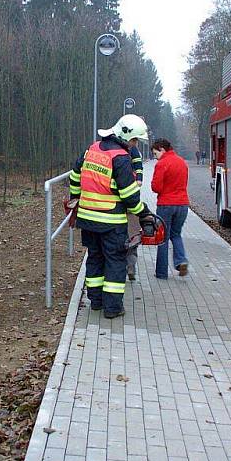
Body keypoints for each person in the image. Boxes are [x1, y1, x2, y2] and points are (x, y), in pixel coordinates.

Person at [69, 114, 154, 319]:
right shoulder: (121, 158)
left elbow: (74, 176)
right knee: (115, 262)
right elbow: (129, 196)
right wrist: (145, 214)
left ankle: (96, 302)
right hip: (111, 223)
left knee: (95, 258)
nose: (134, 145)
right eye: (135, 141)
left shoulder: (92, 149)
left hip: (88, 220)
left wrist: (75, 199)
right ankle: (113, 308)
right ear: (128, 137)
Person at [150, 139, 190, 279]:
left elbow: (156, 187)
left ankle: (161, 273)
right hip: (183, 204)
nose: (155, 157)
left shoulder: (162, 164)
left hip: (166, 205)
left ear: (162, 149)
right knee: (176, 234)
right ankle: (181, 261)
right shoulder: (182, 162)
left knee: (163, 238)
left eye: (155, 154)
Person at [125, 141, 144, 281]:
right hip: (132, 209)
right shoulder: (135, 151)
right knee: (132, 241)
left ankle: (120, 268)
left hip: (115, 212)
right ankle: (131, 267)